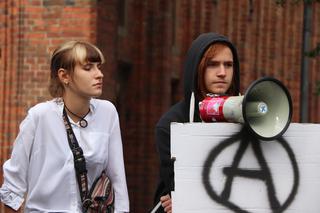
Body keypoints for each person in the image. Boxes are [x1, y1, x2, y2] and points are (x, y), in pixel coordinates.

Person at [0, 41, 130, 212]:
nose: (99, 74)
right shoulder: (39, 117)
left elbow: (118, 180)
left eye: (99, 67)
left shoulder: (108, 113)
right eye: (88, 68)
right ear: (64, 76)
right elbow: (13, 188)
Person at [153, 32, 240, 213]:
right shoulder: (171, 124)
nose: (222, 72)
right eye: (213, 65)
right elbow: (179, 188)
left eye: (229, 65)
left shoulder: (241, 114)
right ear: (197, 68)